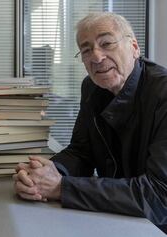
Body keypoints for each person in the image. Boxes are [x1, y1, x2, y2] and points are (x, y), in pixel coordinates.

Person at [13, 12, 167, 232]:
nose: (96, 56)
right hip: (117, 218)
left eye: (106, 43)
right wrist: (43, 173)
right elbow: (81, 152)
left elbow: (160, 196)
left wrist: (61, 187)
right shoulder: (92, 87)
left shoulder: (162, 95)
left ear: (134, 47)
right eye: (86, 49)